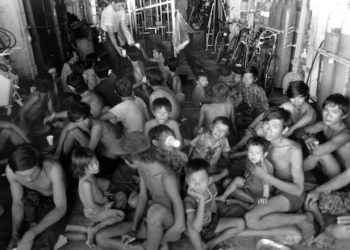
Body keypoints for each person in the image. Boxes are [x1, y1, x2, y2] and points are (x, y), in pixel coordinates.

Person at [95, 132, 185, 250]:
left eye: (125, 160)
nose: (125, 163)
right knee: (101, 238)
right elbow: (143, 198)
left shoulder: (166, 177)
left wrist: (153, 241)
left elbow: (180, 226)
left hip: (166, 224)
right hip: (149, 221)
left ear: (135, 158)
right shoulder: (142, 167)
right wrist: (133, 228)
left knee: (155, 212)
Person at [243, 107, 315, 245]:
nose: (268, 129)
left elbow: (298, 190)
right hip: (269, 190)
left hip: (289, 193)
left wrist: (267, 177)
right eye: (266, 124)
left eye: (274, 126)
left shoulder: (293, 150)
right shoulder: (263, 142)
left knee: (251, 219)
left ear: (284, 130)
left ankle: (304, 218)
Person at [6, 144, 68, 250]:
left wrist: (31, 234)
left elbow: (60, 208)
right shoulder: (10, 171)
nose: (29, 179)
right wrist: (14, 234)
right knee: (17, 233)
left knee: (46, 236)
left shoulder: (53, 169)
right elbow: (17, 202)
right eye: (23, 176)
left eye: (33, 173)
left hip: (54, 199)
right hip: (32, 195)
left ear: (40, 165)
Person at [231, 81, 317, 154]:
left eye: (300, 97)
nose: (296, 101)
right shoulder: (289, 106)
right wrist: (253, 124)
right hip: (287, 133)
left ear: (305, 96)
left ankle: (245, 153)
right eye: (293, 98)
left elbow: (294, 129)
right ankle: (236, 147)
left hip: (303, 137)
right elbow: (268, 113)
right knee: (259, 128)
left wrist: (288, 130)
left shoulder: (309, 112)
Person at [184, 158, 245, 250]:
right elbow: (196, 228)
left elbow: (212, 202)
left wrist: (222, 174)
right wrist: (201, 201)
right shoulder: (189, 201)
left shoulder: (211, 188)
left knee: (241, 224)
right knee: (192, 229)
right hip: (197, 230)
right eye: (193, 180)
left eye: (201, 180)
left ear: (209, 181)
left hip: (211, 223)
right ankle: (200, 245)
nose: (197, 185)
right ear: (187, 181)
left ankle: (210, 244)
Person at [71, 147, 125, 247]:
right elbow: (91, 205)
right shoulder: (85, 183)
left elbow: (96, 191)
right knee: (120, 215)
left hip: (101, 204)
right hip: (95, 212)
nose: (96, 166)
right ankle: (95, 229)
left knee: (120, 196)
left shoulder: (90, 175)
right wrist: (105, 207)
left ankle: (96, 224)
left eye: (96, 161)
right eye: (92, 165)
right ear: (82, 168)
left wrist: (104, 196)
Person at [54, 102, 124, 175]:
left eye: (84, 120)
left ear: (89, 115)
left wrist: (75, 163)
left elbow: (89, 152)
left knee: (74, 169)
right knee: (73, 131)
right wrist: (58, 151)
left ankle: (65, 166)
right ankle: (62, 158)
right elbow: (65, 129)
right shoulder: (83, 118)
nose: (82, 124)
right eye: (78, 122)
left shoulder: (97, 126)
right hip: (98, 150)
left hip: (108, 161)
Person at [216, 136, 273, 209]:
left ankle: (252, 202)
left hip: (258, 194)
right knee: (227, 182)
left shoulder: (264, 168)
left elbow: (266, 186)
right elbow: (247, 173)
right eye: (251, 152)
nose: (253, 155)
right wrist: (245, 181)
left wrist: (264, 198)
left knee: (230, 185)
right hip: (248, 186)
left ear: (264, 155)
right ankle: (223, 197)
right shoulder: (251, 160)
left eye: (257, 153)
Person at [303, 93, 350, 180]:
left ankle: (292, 175)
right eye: (326, 110)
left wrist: (309, 141)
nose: (328, 115)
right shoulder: (324, 125)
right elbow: (300, 132)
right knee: (314, 148)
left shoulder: (345, 135)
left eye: (334, 112)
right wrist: (307, 138)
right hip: (332, 167)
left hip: (344, 177)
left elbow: (317, 152)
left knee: (320, 154)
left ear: (344, 116)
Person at [305, 166, 350, 248]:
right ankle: (323, 224)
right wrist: (318, 190)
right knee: (316, 201)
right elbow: (347, 176)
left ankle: (323, 225)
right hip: (346, 200)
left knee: (341, 230)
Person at [189, 116, 231, 183]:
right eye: (217, 128)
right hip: (196, 165)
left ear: (226, 134)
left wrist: (229, 162)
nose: (219, 132)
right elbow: (191, 145)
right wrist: (188, 160)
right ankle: (205, 180)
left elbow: (225, 153)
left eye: (223, 131)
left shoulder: (224, 141)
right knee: (195, 175)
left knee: (226, 171)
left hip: (211, 166)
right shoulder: (202, 137)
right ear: (211, 127)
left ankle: (207, 179)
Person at [100, 0, 134, 76]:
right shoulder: (108, 13)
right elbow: (110, 34)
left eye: (122, 5)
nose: (121, 8)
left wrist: (130, 40)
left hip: (114, 32)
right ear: (112, 3)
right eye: (119, 5)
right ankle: (116, 77)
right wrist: (117, 47)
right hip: (105, 33)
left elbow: (124, 26)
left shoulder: (121, 9)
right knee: (114, 55)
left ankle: (118, 72)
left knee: (119, 53)